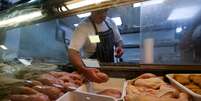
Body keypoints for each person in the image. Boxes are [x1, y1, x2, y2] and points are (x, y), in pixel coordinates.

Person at [68, 9, 124, 83]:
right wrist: (84, 70)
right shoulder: (83, 27)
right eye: (98, 12)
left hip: (109, 63)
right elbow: (72, 52)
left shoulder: (110, 22)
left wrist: (119, 47)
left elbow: (119, 41)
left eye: (105, 11)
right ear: (92, 10)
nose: (103, 15)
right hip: (91, 66)